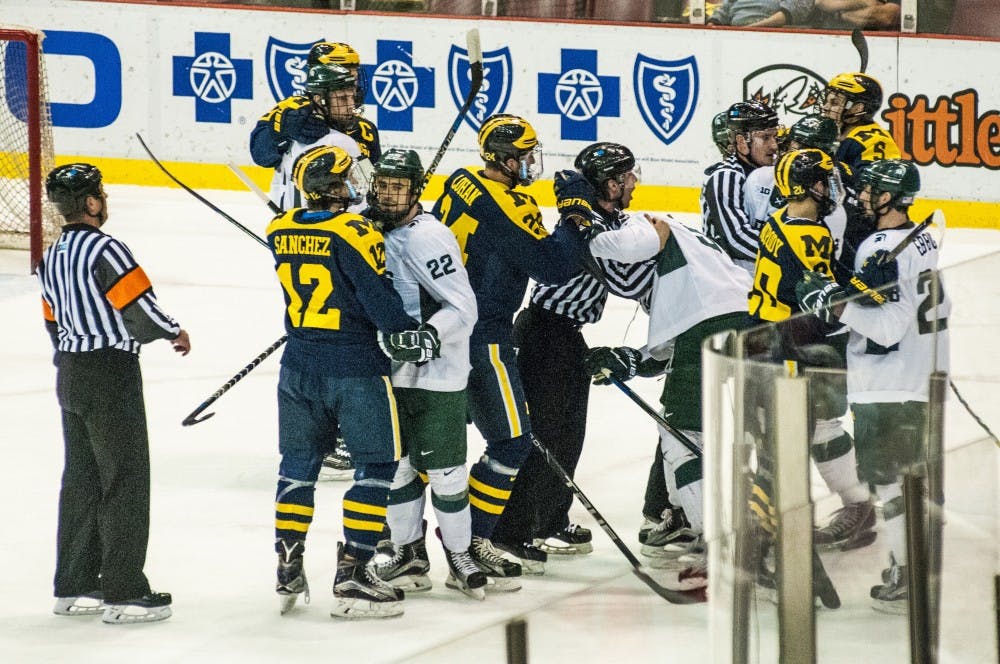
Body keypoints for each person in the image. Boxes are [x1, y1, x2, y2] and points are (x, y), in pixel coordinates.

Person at [267, 145, 438, 620]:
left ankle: (288, 563)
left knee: (297, 466)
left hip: (298, 366)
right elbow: (379, 303)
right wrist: (411, 332)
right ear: (337, 187)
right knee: (377, 465)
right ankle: (354, 571)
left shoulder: (279, 228)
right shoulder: (355, 230)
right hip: (356, 370)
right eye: (349, 179)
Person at [490, 142, 670, 571]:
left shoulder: (605, 219)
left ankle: (549, 518)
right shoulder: (587, 224)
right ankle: (512, 531)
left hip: (565, 336)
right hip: (544, 335)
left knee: (569, 436)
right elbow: (627, 276)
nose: (634, 182)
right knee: (544, 438)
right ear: (610, 183)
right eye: (627, 176)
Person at [431, 113, 588, 590]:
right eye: (523, 156)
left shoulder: (460, 183)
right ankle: (473, 540)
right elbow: (553, 267)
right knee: (512, 442)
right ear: (503, 159)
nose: (530, 163)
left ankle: (406, 549)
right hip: (484, 334)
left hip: (436, 325)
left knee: (423, 450)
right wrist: (573, 217)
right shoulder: (508, 206)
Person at [38, 163, 191, 624]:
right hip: (109, 372)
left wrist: (71, 358)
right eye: (99, 194)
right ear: (90, 202)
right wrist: (174, 331)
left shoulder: (52, 253)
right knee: (124, 478)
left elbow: (51, 318)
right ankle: (124, 590)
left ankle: (74, 583)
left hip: (70, 372)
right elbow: (138, 307)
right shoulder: (106, 248)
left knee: (81, 478)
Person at [796, 159, 950, 613]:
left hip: (886, 384)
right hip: (918, 373)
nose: (861, 196)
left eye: (868, 191)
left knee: (888, 484)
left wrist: (833, 307)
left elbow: (885, 330)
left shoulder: (879, 248)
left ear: (886, 198)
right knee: (905, 479)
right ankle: (915, 562)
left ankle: (908, 572)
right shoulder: (919, 237)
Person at [584, 215, 754, 595]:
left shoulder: (642, 225)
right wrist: (623, 358)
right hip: (748, 322)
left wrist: (587, 237)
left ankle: (719, 545)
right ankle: (709, 523)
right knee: (707, 433)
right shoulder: (694, 263)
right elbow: (665, 352)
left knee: (679, 435)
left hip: (710, 329)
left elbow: (632, 244)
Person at [358, 149, 486, 600]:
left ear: (416, 190)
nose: (389, 195)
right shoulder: (364, 226)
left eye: (399, 186)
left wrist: (426, 338)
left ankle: (459, 553)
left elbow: (463, 306)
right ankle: (410, 553)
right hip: (388, 369)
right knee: (398, 468)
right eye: (384, 185)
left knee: (447, 471)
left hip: (436, 371)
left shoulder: (428, 238)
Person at [746, 148, 877, 550]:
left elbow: (821, 278)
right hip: (791, 345)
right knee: (793, 436)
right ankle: (778, 525)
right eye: (825, 180)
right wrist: (861, 289)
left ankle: (854, 506)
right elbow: (823, 308)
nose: (831, 187)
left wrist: (849, 280)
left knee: (811, 428)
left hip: (767, 339)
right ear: (809, 187)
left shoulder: (780, 220)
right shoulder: (809, 235)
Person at [820, 71, 901, 269]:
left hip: (862, 232)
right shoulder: (834, 130)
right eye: (828, 100)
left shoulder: (873, 140)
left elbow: (871, 192)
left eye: (835, 102)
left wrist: (833, 166)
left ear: (857, 108)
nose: (826, 107)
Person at [702, 100, 781, 274]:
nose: (774, 145)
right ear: (742, 142)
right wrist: (786, 256)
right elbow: (737, 238)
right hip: (728, 281)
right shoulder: (725, 177)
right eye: (765, 138)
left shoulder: (775, 173)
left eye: (775, 136)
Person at [707, 0, 815, 26]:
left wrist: (751, 29)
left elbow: (790, 13)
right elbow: (724, 9)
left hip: (769, 36)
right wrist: (712, 23)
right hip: (731, 35)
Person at [812, 0, 901, 29]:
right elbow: (821, 2)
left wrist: (841, 14)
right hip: (826, 43)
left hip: (879, 46)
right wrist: (865, 2)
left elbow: (889, 15)